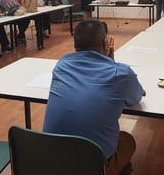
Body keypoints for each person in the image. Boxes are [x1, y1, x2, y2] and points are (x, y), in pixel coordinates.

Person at [43, 19, 144, 175]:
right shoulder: (121, 73)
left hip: (51, 158)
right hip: (93, 165)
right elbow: (135, 97)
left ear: (75, 44)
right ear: (105, 43)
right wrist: (111, 60)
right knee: (127, 140)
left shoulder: (62, 64)